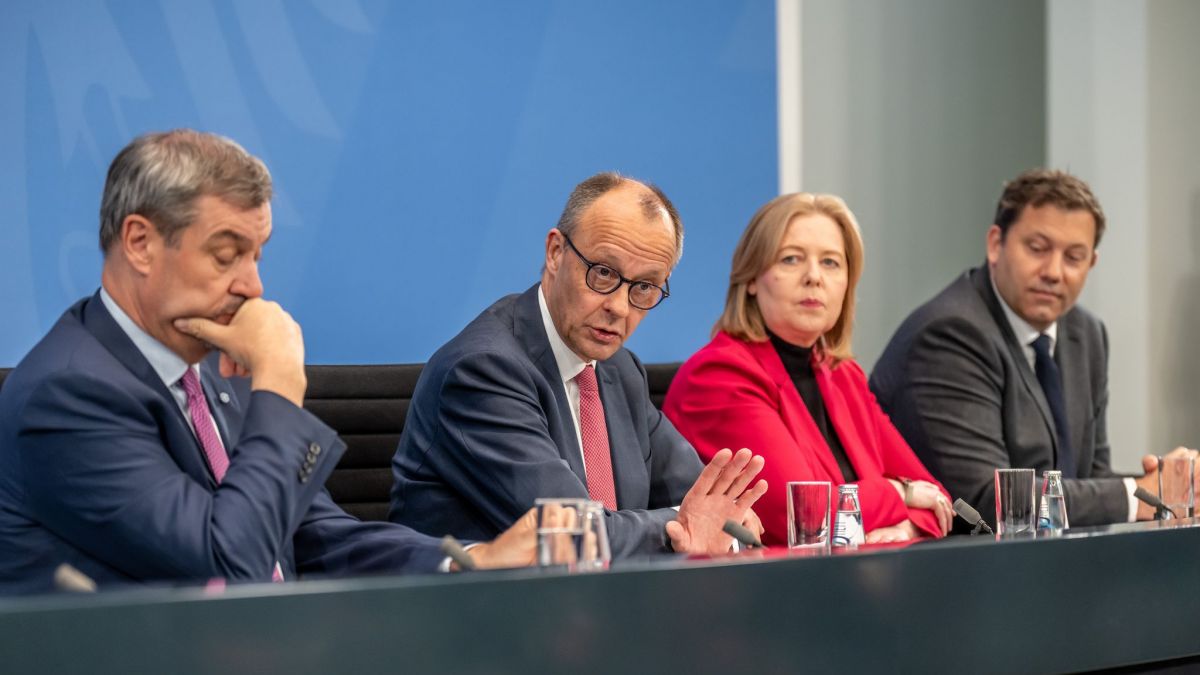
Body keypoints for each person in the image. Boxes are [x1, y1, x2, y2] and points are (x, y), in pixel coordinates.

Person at [0, 130, 533, 595]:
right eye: (226, 255)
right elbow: (230, 566)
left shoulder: (207, 368)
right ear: (140, 243)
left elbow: (309, 531)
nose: (254, 286)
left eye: (257, 254)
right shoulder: (68, 394)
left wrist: (463, 561)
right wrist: (277, 384)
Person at [391, 172, 767, 558]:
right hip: (482, 609)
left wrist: (723, 520)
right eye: (603, 273)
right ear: (555, 253)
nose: (619, 307)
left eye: (644, 287)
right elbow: (572, 533)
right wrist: (690, 525)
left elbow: (705, 499)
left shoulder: (619, 370)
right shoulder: (483, 371)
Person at [869, 168, 1197, 531]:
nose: (1054, 272)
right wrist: (1138, 494)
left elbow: (1091, 476)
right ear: (996, 244)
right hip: (959, 572)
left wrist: (1172, 489)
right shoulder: (949, 334)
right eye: (1037, 249)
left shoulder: (1084, 333)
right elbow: (987, 501)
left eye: (1074, 257)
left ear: (1092, 264)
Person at [662, 193, 951, 547]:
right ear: (752, 278)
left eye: (830, 263)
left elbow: (935, 496)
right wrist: (898, 492)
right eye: (791, 259)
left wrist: (906, 529)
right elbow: (806, 517)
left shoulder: (843, 375)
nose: (813, 277)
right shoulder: (718, 375)